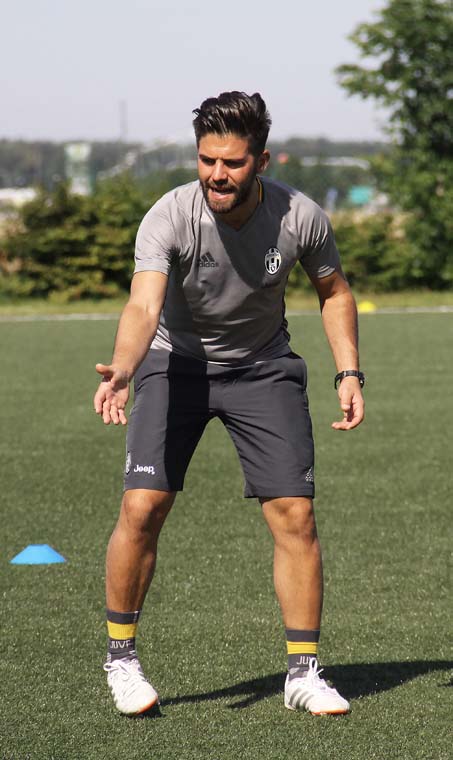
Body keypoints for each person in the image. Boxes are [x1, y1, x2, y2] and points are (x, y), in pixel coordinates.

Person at [94, 91, 365, 717]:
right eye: (207, 159)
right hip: (175, 364)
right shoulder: (169, 215)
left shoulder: (301, 216)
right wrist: (125, 368)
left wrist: (348, 371)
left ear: (261, 161)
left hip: (262, 367)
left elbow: (335, 292)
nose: (217, 173)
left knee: (295, 514)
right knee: (142, 505)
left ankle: (303, 672)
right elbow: (143, 303)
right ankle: (122, 660)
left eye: (233, 162)